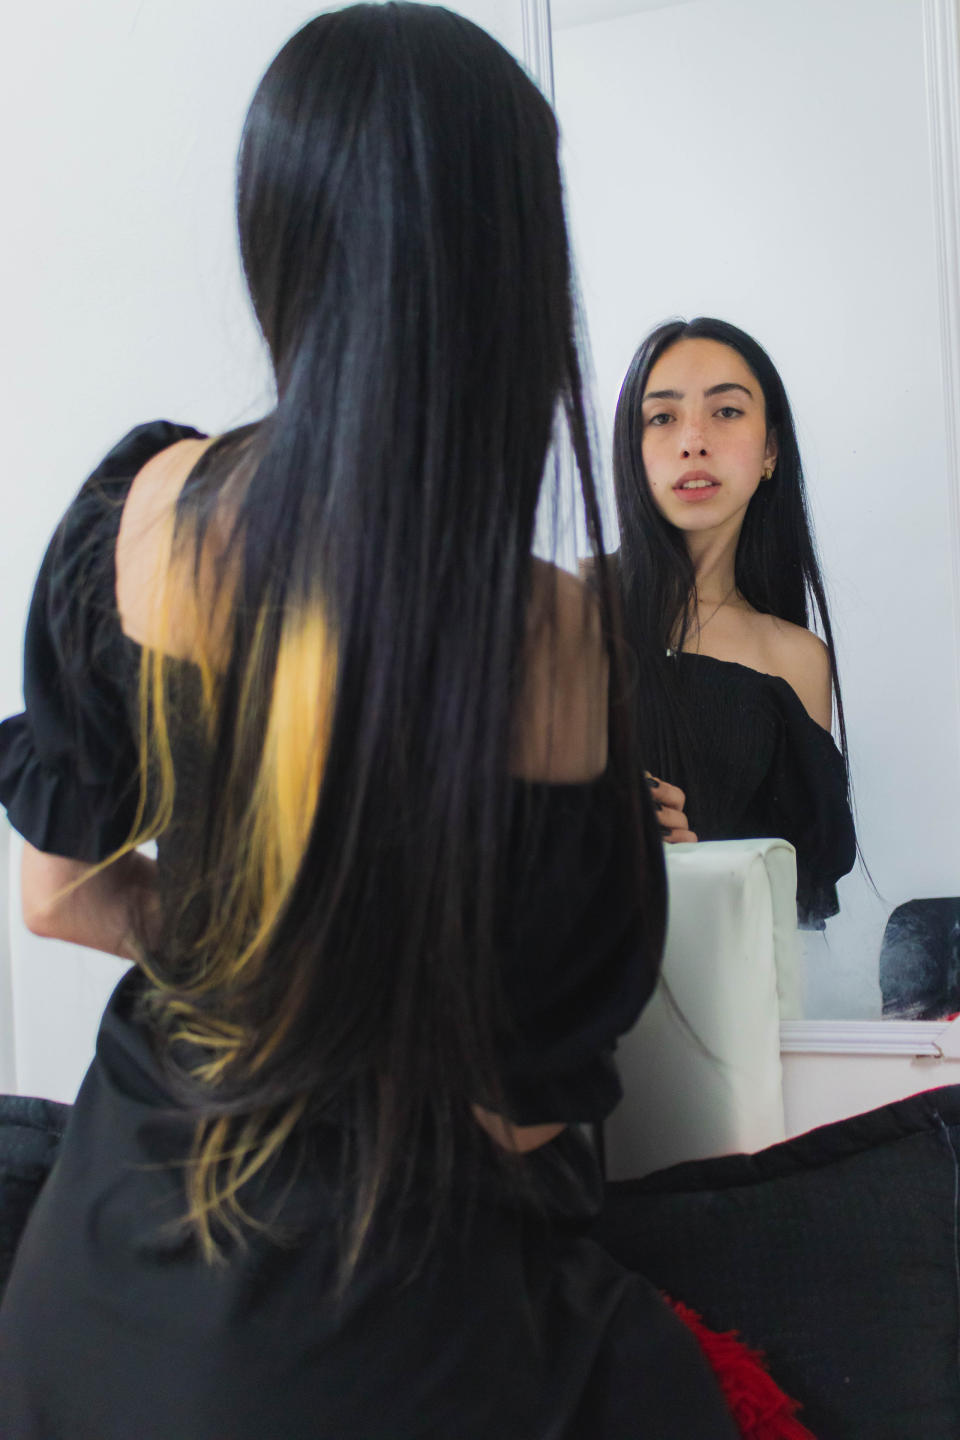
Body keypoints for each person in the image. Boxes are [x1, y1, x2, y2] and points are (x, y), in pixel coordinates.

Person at [0, 10, 812, 1437]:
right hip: (382, 1343)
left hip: (91, 1296)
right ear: (522, 275)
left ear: (277, 234)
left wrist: (261, 959)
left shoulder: (144, 507)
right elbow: (525, 1114)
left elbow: (59, 897)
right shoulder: (557, 636)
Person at [607, 317, 856, 927]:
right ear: (632, 452)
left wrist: (707, 869)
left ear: (770, 450)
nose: (693, 441)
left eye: (726, 411)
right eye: (661, 417)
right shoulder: (564, 608)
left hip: (714, 972)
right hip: (564, 967)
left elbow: (792, 918)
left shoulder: (797, 659)